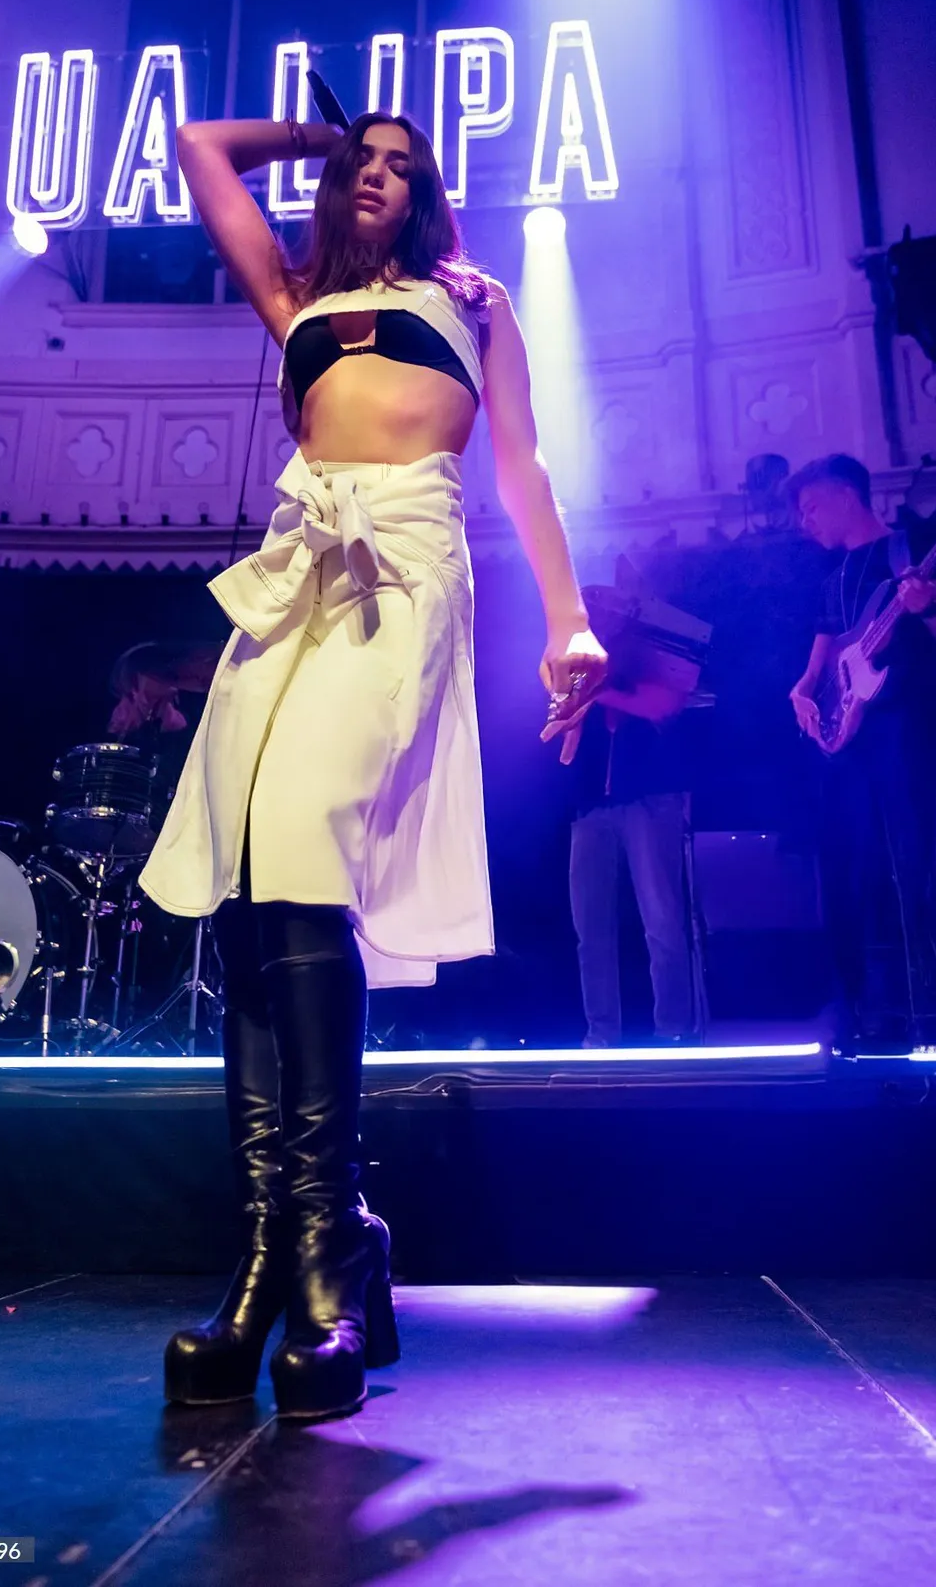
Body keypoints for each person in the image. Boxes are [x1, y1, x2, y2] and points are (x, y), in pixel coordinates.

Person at [139, 105, 606, 1423]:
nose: (383, 178)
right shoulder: (292, 294)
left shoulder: (474, 299)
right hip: (292, 574)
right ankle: (279, 1249)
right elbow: (200, 148)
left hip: (402, 573)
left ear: (427, 194)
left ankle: (325, 1247)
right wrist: (320, 133)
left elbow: (521, 462)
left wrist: (568, 617)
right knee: (252, 887)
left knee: (301, 846)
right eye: (369, 160)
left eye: (406, 167)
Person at [786, 454, 936, 1051]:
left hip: (905, 725)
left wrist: (926, 608)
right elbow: (821, 662)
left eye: (812, 507)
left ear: (848, 495)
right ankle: (875, 1009)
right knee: (859, 872)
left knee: (915, 863)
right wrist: (802, 692)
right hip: (850, 739)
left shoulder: (908, 549)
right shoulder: (831, 580)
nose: (805, 522)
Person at [565, 628, 705, 1048]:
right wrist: (577, 702)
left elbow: (663, 703)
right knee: (590, 928)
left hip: (651, 800)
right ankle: (600, 1034)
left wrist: (597, 693)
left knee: (662, 921)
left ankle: (673, 1029)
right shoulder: (580, 671)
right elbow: (565, 741)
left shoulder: (656, 660)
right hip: (592, 806)